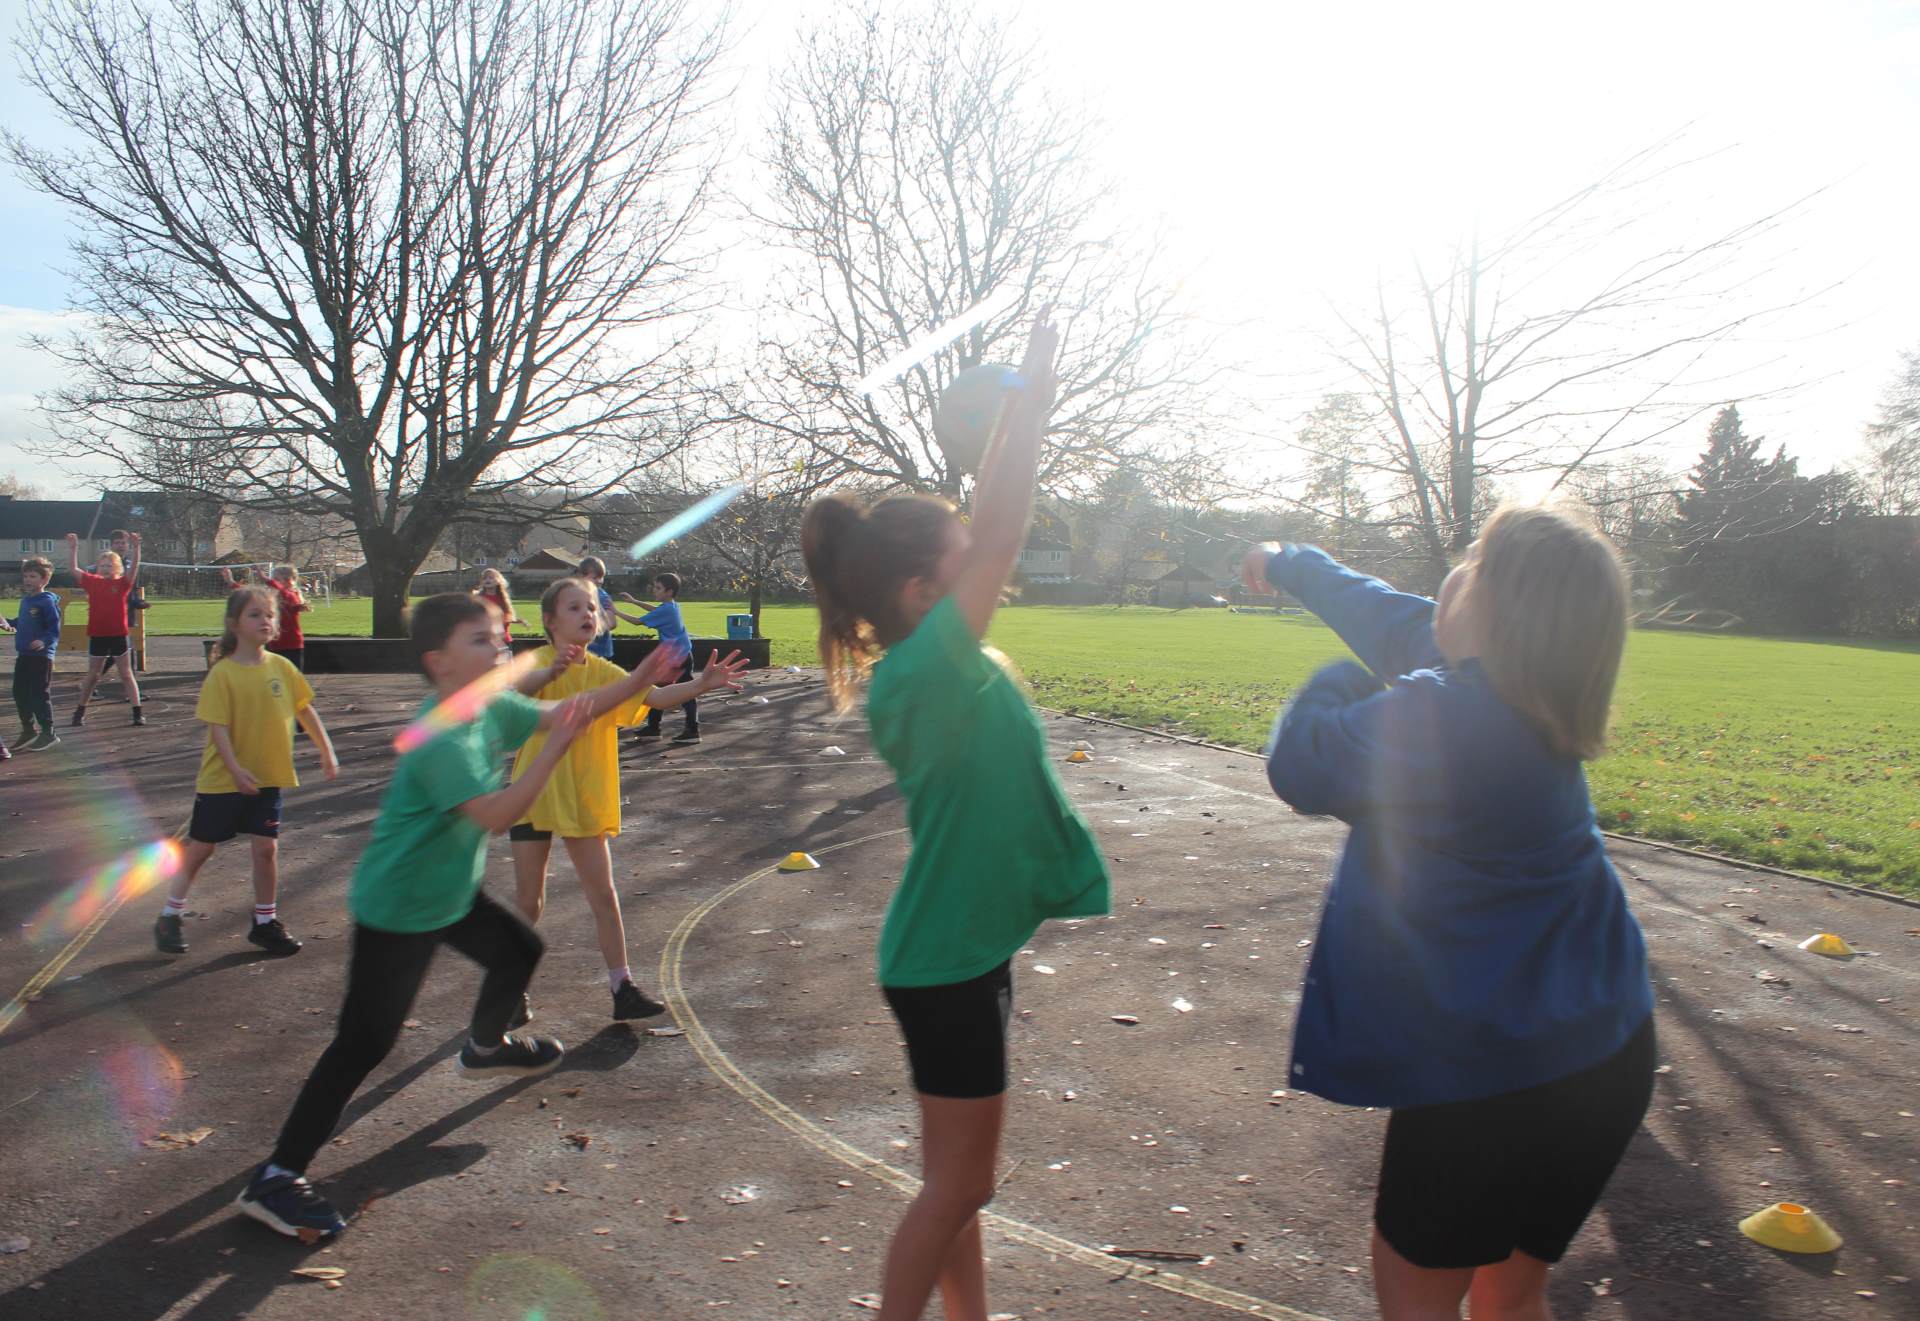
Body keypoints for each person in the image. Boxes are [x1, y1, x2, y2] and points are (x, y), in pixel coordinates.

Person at [1240, 507, 1654, 1321]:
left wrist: (1337, 678)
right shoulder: (1528, 692)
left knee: (1418, 1305)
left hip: (1493, 1078)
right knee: (1511, 1297)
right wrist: (1290, 560)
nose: (1451, 574)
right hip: (1606, 1050)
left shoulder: (1452, 715)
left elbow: (1302, 763)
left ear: (1496, 611)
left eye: (1473, 559)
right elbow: (1387, 614)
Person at [799, 310, 1108, 1321]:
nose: (991, 565)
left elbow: (996, 534)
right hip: (944, 969)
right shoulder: (924, 670)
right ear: (922, 588)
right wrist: (1029, 401)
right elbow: (1006, 524)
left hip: (956, 956)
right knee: (959, 1185)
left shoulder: (939, 663)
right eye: (965, 558)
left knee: (957, 1181)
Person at [234, 593, 607, 1242]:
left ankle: (484, 1048)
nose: (500, 647)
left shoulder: (487, 704)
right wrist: (555, 749)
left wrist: (647, 678)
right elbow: (498, 814)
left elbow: (562, 711)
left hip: (447, 893)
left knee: (519, 950)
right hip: (401, 907)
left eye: (497, 636)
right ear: (440, 661)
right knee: (363, 1044)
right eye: (481, 639)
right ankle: (276, 1177)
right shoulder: (441, 733)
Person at [509, 577, 747, 1022]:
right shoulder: (535, 664)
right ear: (549, 621)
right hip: (533, 793)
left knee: (604, 895)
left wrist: (701, 684)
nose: (587, 614)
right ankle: (508, 989)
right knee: (529, 902)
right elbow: (513, 695)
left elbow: (654, 696)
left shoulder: (603, 671)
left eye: (591, 607)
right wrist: (549, 674)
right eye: (574, 607)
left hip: (583, 795)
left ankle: (623, 988)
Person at [153, 586, 339, 958]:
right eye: (255, 614)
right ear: (233, 624)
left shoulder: (282, 667)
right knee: (201, 849)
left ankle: (265, 922)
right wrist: (235, 769)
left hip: (268, 778)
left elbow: (304, 709)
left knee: (266, 849)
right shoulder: (223, 673)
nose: (265, 621)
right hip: (223, 781)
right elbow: (218, 728)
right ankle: (170, 914)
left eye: (269, 615)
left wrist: (326, 750)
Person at [67, 531, 144, 726]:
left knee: (126, 674)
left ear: (117, 568)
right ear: (97, 568)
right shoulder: (92, 582)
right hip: (98, 634)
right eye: (102, 565)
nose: (105, 568)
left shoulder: (122, 583)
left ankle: (137, 712)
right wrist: (74, 548)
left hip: (118, 634)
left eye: (109, 565)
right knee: (93, 675)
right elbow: (74, 569)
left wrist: (136, 548)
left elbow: (134, 568)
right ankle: (79, 712)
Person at [617, 572, 699, 743]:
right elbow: (654, 610)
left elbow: (637, 622)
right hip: (679, 655)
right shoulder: (671, 606)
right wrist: (634, 601)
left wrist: (614, 611)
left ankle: (690, 731)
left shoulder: (667, 609)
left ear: (669, 592)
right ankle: (655, 728)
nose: (654, 590)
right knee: (662, 690)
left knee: (679, 692)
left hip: (677, 658)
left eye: (658, 588)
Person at [2, 556, 61, 755]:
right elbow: (21, 622)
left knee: (39, 693)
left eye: (33, 576)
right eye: (26, 576)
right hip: (24, 654)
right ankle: (28, 729)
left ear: (44, 579)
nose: (27, 580)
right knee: (19, 691)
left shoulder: (47, 602)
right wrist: (7, 623)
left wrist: (44, 641)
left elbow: (54, 629)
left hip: (41, 656)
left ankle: (49, 732)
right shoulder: (26, 600)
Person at [263, 565, 311, 671]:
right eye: (273, 579)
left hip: (291, 645)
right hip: (273, 643)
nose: (273, 582)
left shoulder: (292, 596)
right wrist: (232, 583)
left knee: (293, 676)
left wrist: (267, 580)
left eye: (276, 579)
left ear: (289, 581)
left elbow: (285, 593)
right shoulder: (271, 598)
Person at [575, 557, 619, 660]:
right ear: (581, 576)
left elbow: (611, 624)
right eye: (595, 578)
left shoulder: (602, 596)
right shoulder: (574, 594)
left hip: (599, 650)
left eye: (601, 577)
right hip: (581, 650)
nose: (600, 581)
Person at [473, 567, 525, 634]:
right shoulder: (478, 598)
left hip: (503, 636)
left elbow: (506, 616)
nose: (487, 580)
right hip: (486, 636)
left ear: (498, 581)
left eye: (491, 578)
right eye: (484, 578)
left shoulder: (503, 598)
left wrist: (516, 621)